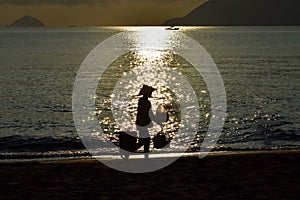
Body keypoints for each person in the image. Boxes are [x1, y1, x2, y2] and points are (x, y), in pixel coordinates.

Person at [135, 85, 161, 158]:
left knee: (143, 141)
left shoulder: (142, 101)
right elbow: (149, 114)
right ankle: (145, 157)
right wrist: (157, 122)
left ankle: (145, 156)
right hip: (142, 123)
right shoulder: (145, 102)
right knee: (146, 140)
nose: (151, 93)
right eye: (150, 92)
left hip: (140, 123)